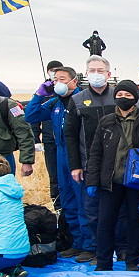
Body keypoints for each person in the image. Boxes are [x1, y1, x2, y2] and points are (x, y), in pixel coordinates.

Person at [85, 80, 139, 272]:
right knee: (105, 222)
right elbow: (96, 152)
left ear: (135, 98)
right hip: (111, 181)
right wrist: (92, 179)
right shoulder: (106, 121)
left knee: (135, 221)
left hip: (138, 181)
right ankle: (104, 262)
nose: (123, 98)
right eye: (120, 95)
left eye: (128, 95)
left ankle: (132, 261)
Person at [25, 66, 87, 258]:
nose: (58, 83)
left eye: (62, 79)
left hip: (77, 153)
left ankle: (90, 245)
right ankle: (75, 241)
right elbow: (31, 115)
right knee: (67, 199)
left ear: (74, 81)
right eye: (55, 80)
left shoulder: (82, 101)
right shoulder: (54, 103)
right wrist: (38, 94)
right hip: (60, 153)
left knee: (82, 200)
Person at [64, 55, 119, 264]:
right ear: (86, 74)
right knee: (90, 208)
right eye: (92, 70)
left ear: (108, 74)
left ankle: (119, 247)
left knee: (118, 208)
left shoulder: (118, 96)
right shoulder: (78, 100)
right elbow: (70, 135)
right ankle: (93, 248)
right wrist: (76, 165)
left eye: (101, 70)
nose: (97, 74)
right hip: (89, 164)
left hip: (116, 163)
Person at [34, 60, 64, 207]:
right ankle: (57, 205)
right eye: (52, 70)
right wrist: (36, 138)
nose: (54, 73)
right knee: (54, 176)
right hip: (49, 140)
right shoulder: (45, 92)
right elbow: (33, 117)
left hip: (65, 141)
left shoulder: (65, 91)